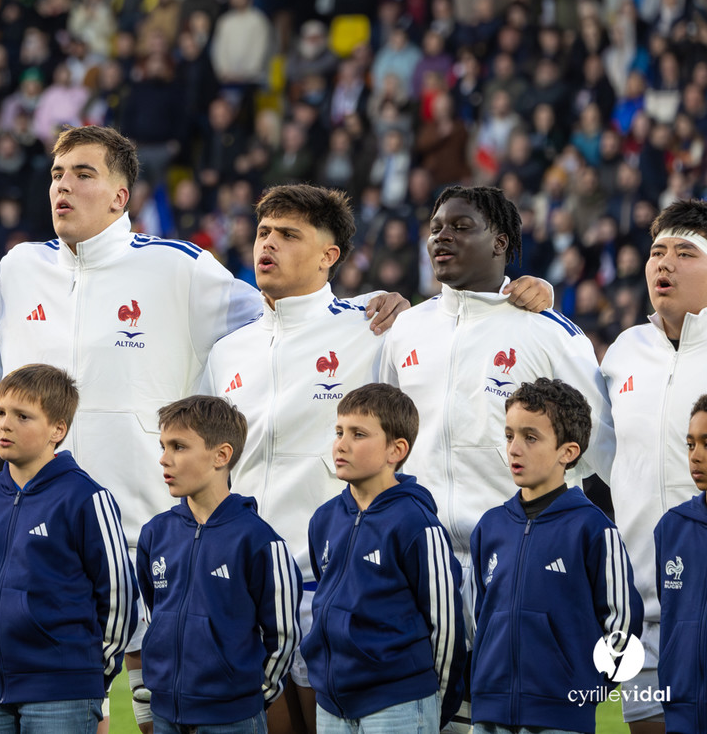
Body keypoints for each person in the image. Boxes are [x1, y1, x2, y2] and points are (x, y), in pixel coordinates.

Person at [0, 126, 407, 729]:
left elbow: (284, 310)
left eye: (82, 174)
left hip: (156, 538)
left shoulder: (177, 268)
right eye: (56, 174)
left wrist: (375, 306)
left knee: (164, 709)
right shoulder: (20, 269)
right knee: (64, 710)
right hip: (45, 544)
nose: (63, 186)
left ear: (120, 195)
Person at [203, 185, 549, 734]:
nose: (267, 244)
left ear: (329, 256)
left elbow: (453, 327)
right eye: (264, 232)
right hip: (246, 583)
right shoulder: (228, 352)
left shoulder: (373, 329)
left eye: (289, 234)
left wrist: (524, 290)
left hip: (333, 581)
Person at [380, 186, 614, 595]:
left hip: (523, 555)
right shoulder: (405, 330)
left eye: (460, 226)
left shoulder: (549, 332)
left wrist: (538, 513)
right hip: (420, 560)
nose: (441, 236)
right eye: (435, 228)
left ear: (499, 242)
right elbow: (386, 435)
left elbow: (600, 447)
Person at [0, 364, 138, 734]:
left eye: (23, 416)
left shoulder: (85, 498)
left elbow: (119, 595)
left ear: (58, 430)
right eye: (1, 412)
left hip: (63, 687)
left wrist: (89, 670)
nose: (5, 424)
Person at [469, 378, 640, 734]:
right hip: (491, 712)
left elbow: (621, 622)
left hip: (563, 716)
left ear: (569, 452)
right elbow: (477, 620)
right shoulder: (490, 527)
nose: (514, 449)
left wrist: (587, 688)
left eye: (530, 438)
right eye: (509, 435)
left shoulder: (593, 528)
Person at [304, 384, 467, 734]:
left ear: (396, 449)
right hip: (332, 704)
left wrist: (436, 701)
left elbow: (447, 628)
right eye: (339, 432)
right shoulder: (323, 519)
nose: (341, 444)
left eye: (358, 434)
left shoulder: (416, 523)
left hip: (399, 703)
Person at [600, 199, 707, 734]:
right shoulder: (622, 352)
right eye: (657, 252)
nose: (664, 264)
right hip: (639, 608)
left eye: (684, 252)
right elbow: (597, 458)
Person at [137, 395, 301, 734]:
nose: (164, 459)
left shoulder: (258, 540)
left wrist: (251, 698)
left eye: (179, 447)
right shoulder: (155, 533)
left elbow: (282, 636)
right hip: (168, 712)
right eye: (163, 446)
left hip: (233, 717)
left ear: (221, 456)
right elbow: (157, 613)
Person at [653, 394, 707, 734]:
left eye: (706, 443)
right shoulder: (671, 528)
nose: (696, 456)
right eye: (690, 444)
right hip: (683, 710)